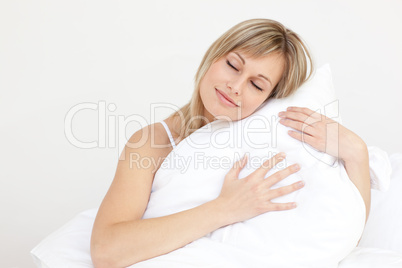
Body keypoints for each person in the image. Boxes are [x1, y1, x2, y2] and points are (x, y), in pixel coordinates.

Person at [90, 18, 370, 268]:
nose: (235, 86)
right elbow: (106, 251)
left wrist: (357, 154)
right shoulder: (152, 142)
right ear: (214, 55)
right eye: (233, 65)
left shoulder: (271, 142)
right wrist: (225, 208)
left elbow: (335, 236)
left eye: (257, 85)